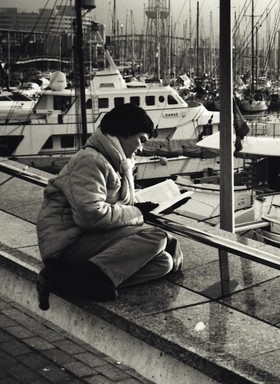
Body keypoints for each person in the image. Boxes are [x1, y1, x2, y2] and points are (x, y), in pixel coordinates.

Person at [36, 103, 182, 302]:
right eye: (141, 140)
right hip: (67, 245)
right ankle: (82, 276)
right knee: (157, 236)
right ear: (124, 134)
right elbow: (91, 215)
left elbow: (119, 204)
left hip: (91, 238)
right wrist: (137, 212)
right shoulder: (91, 160)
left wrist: (144, 206)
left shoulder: (118, 163)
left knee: (163, 262)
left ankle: (74, 281)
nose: (141, 148)